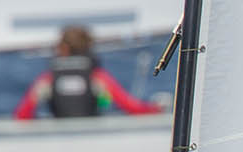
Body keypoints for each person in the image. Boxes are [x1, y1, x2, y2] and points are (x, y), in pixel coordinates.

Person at [13, 25, 163, 120]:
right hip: (92, 139)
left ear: (63, 48)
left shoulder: (48, 79)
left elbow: (22, 114)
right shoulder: (97, 78)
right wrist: (157, 108)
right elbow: (132, 108)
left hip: (58, 140)